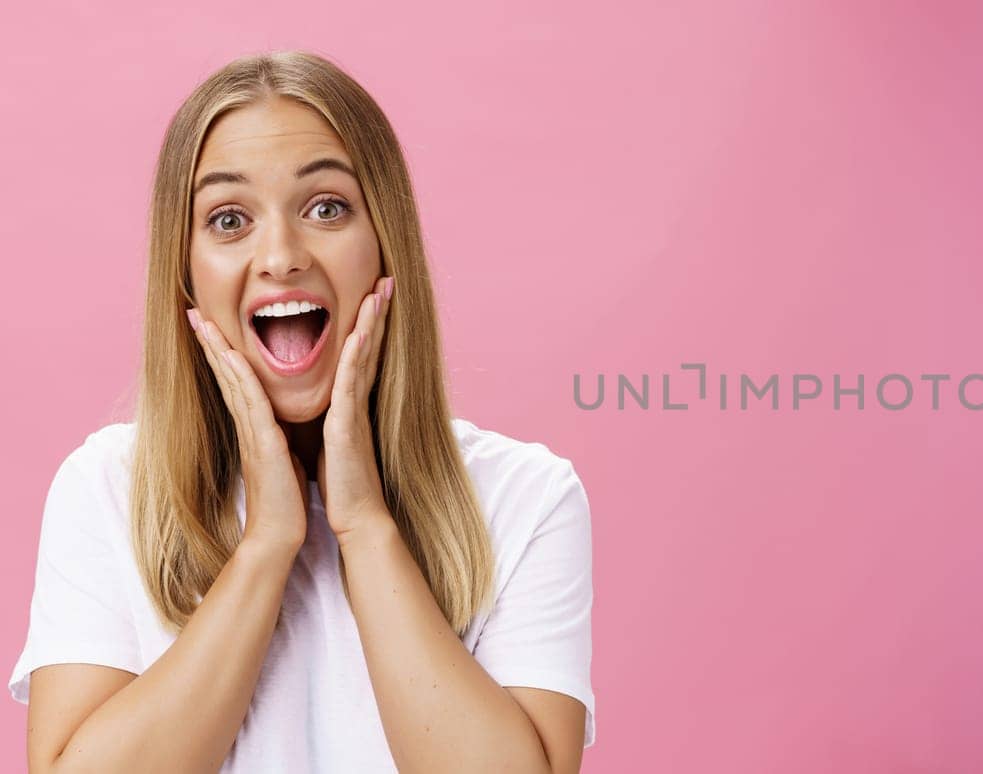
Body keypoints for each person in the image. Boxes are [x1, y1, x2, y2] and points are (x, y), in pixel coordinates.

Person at [7, 50, 595, 773]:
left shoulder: (526, 498)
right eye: (228, 219)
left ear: (386, 244)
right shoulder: (106, 488)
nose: (280, 256)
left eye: (327, 208)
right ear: (186, 277)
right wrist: (267, 545)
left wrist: (364, 525)